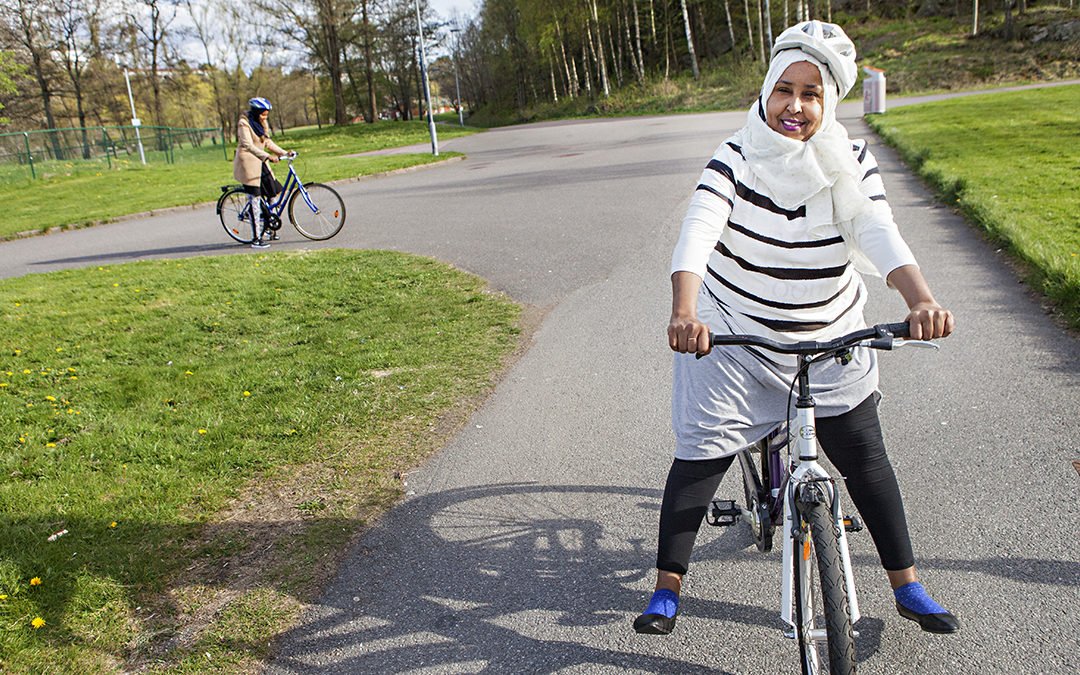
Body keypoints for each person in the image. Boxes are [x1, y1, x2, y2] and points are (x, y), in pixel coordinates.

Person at [633, 20, 960, 638]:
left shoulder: (850, 160)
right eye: (784, 89)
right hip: (734, 337)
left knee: (864, 458)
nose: (795, 106)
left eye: (812, 94)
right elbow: (699, 228)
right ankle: (667, 587)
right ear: (764, 91)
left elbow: (874, 227)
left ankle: (908, 584)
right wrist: (685, 309)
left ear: (829, 103)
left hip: (828, 333)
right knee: (702, 455)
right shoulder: (735, 154)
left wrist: (922, 298)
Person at [233, 96, 292, 249]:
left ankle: (271, 228)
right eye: (263, 114)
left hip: (261, 162)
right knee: (255, 197)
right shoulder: (244, 123)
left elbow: (267, 142)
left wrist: (284, 153)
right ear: (256, 112)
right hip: (248, 163)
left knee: (273, 191)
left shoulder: (261, 124)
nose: (265, 117)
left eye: (267, 114)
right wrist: (267, 156)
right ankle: (256, 238)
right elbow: (247, 145)